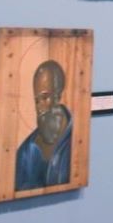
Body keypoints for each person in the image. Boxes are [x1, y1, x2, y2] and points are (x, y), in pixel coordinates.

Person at [16, 61, 73, 191]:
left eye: (45, 97)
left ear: (58, 94)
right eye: (37, 100)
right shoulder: (26, 150)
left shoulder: (77, 138)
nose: (40, 107)